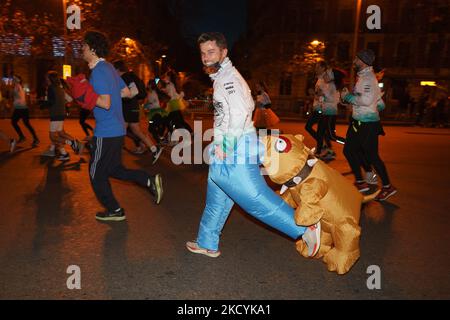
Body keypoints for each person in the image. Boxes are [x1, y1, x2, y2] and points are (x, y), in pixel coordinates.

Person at [186, 32, 320, 258]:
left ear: (223, 52)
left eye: (211, 52)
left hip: (234, 147)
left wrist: (226, 145)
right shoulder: (221, 76)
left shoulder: (228, 79)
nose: (206, 57)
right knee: (217, 197)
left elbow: (241, 111)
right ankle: (207, 242)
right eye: (203, 53)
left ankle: (304, 228)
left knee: (254, 198)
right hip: (229, 145)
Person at [70, 30, 163, 221]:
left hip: (106, 131)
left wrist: (85, 95)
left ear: (93, 49)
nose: (82, 50)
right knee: (114, 169)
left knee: (96, 172)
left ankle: (114, 210)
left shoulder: (98, 72)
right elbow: (128, 93)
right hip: (118, 129)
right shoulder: (110, 68)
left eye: (85, 46)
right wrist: (109, 93)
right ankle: (148, 180)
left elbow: (105, 103)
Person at [341, 49, 397, 201]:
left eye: (356, 59)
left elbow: (365, 100)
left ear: (363, 62)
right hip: (361, 122)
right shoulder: (365, 77)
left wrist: (348, 97)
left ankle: (386, 186)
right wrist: (356, 104)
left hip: (367, 124)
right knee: (351, 151)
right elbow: (380, 104)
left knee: (371, 156)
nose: (354, 62)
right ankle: (362, 182)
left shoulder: (368, 79)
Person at [113, 60, 163, 163]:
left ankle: (112, 154)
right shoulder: (127, 77)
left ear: (117, 69)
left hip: (128, 107)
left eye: (114, 69)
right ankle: (154, 149)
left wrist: (121, 96)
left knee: (120, 130)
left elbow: (133, 91)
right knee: (136, 131)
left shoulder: (125, 77)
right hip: (133, 106)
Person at [41, 71, 83, 161]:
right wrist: (61, 104)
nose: (45, 79)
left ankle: (72, 143)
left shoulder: (51, 88)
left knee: (52, 137)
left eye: (46, 78)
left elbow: (51, 102)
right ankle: (64, 153)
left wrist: (42, 105)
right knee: (60, 133)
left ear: (50, 79)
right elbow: (68, 99)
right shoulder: (59, 87)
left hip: (56, 114)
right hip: (61, 113)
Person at [11, 75, 40, 147]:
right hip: (23, 108)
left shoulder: (17, 86)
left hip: (20, 108)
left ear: (18, 80)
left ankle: (23, 137)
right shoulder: (20, 86)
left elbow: (16, 95)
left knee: (14, 122)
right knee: (26, 124)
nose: (13, 80)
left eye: (14, 79)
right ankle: (35, 138)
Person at [144, 78, 170, 145]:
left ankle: (160, 140)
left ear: (150, 85)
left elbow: (155, 104)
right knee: (153, 128)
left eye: (148, 84)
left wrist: (147, 106)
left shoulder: (153, 93)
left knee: (152, 128)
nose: (147, 85)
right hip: (155, 113)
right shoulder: (151, 92)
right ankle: (161, 139)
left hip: (156, 113)